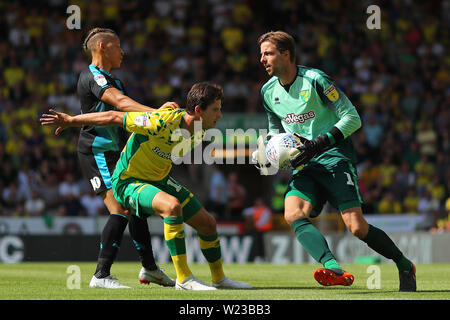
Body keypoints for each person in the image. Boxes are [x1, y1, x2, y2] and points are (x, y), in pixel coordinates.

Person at [40, 82, 252, 291]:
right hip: (129, 181)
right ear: (198, 110)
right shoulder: (161, 122)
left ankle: (219, 279)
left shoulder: (201, 129)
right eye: (216, 110)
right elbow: (114, 117)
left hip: (158, 179)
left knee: (208, 224)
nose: (220, 115)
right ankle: (184, 279)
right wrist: (71, 120)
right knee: (172, 207)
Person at [253, 31, 416, 291]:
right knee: (292, 213)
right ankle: (333, 268)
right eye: (261, 54)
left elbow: (352, 118)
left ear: (286, 54)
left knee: (356, 227)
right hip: (305, 165)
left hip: (334, 157)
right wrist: (270, 150)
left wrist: (318, 142)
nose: (262, 59)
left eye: (268, 53)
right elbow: (275, 130)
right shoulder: (267, 91)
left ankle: (404, 264)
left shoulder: (316, 80)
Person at [73, 27, 174, 288]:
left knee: (136, 207)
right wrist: (157, 114)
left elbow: (128, 118)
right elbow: (119, 103)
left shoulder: (115, 80)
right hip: (98, 151)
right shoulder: (92, 76)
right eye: (118, 46)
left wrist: (153, 123)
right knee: (121, 209)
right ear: (103, 46)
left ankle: (150, 268)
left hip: (116, 152)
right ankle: (101, 275)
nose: (123, 51)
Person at [242, 198, 273, 262]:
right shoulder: (254, 209)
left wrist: (255, 226)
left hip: (265, 231)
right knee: (257, 244)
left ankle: (264, 257)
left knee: (263, 245)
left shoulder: (265, 210)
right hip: (257, 231)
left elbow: (263, 220)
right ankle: (259, 257)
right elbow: (245, 212)